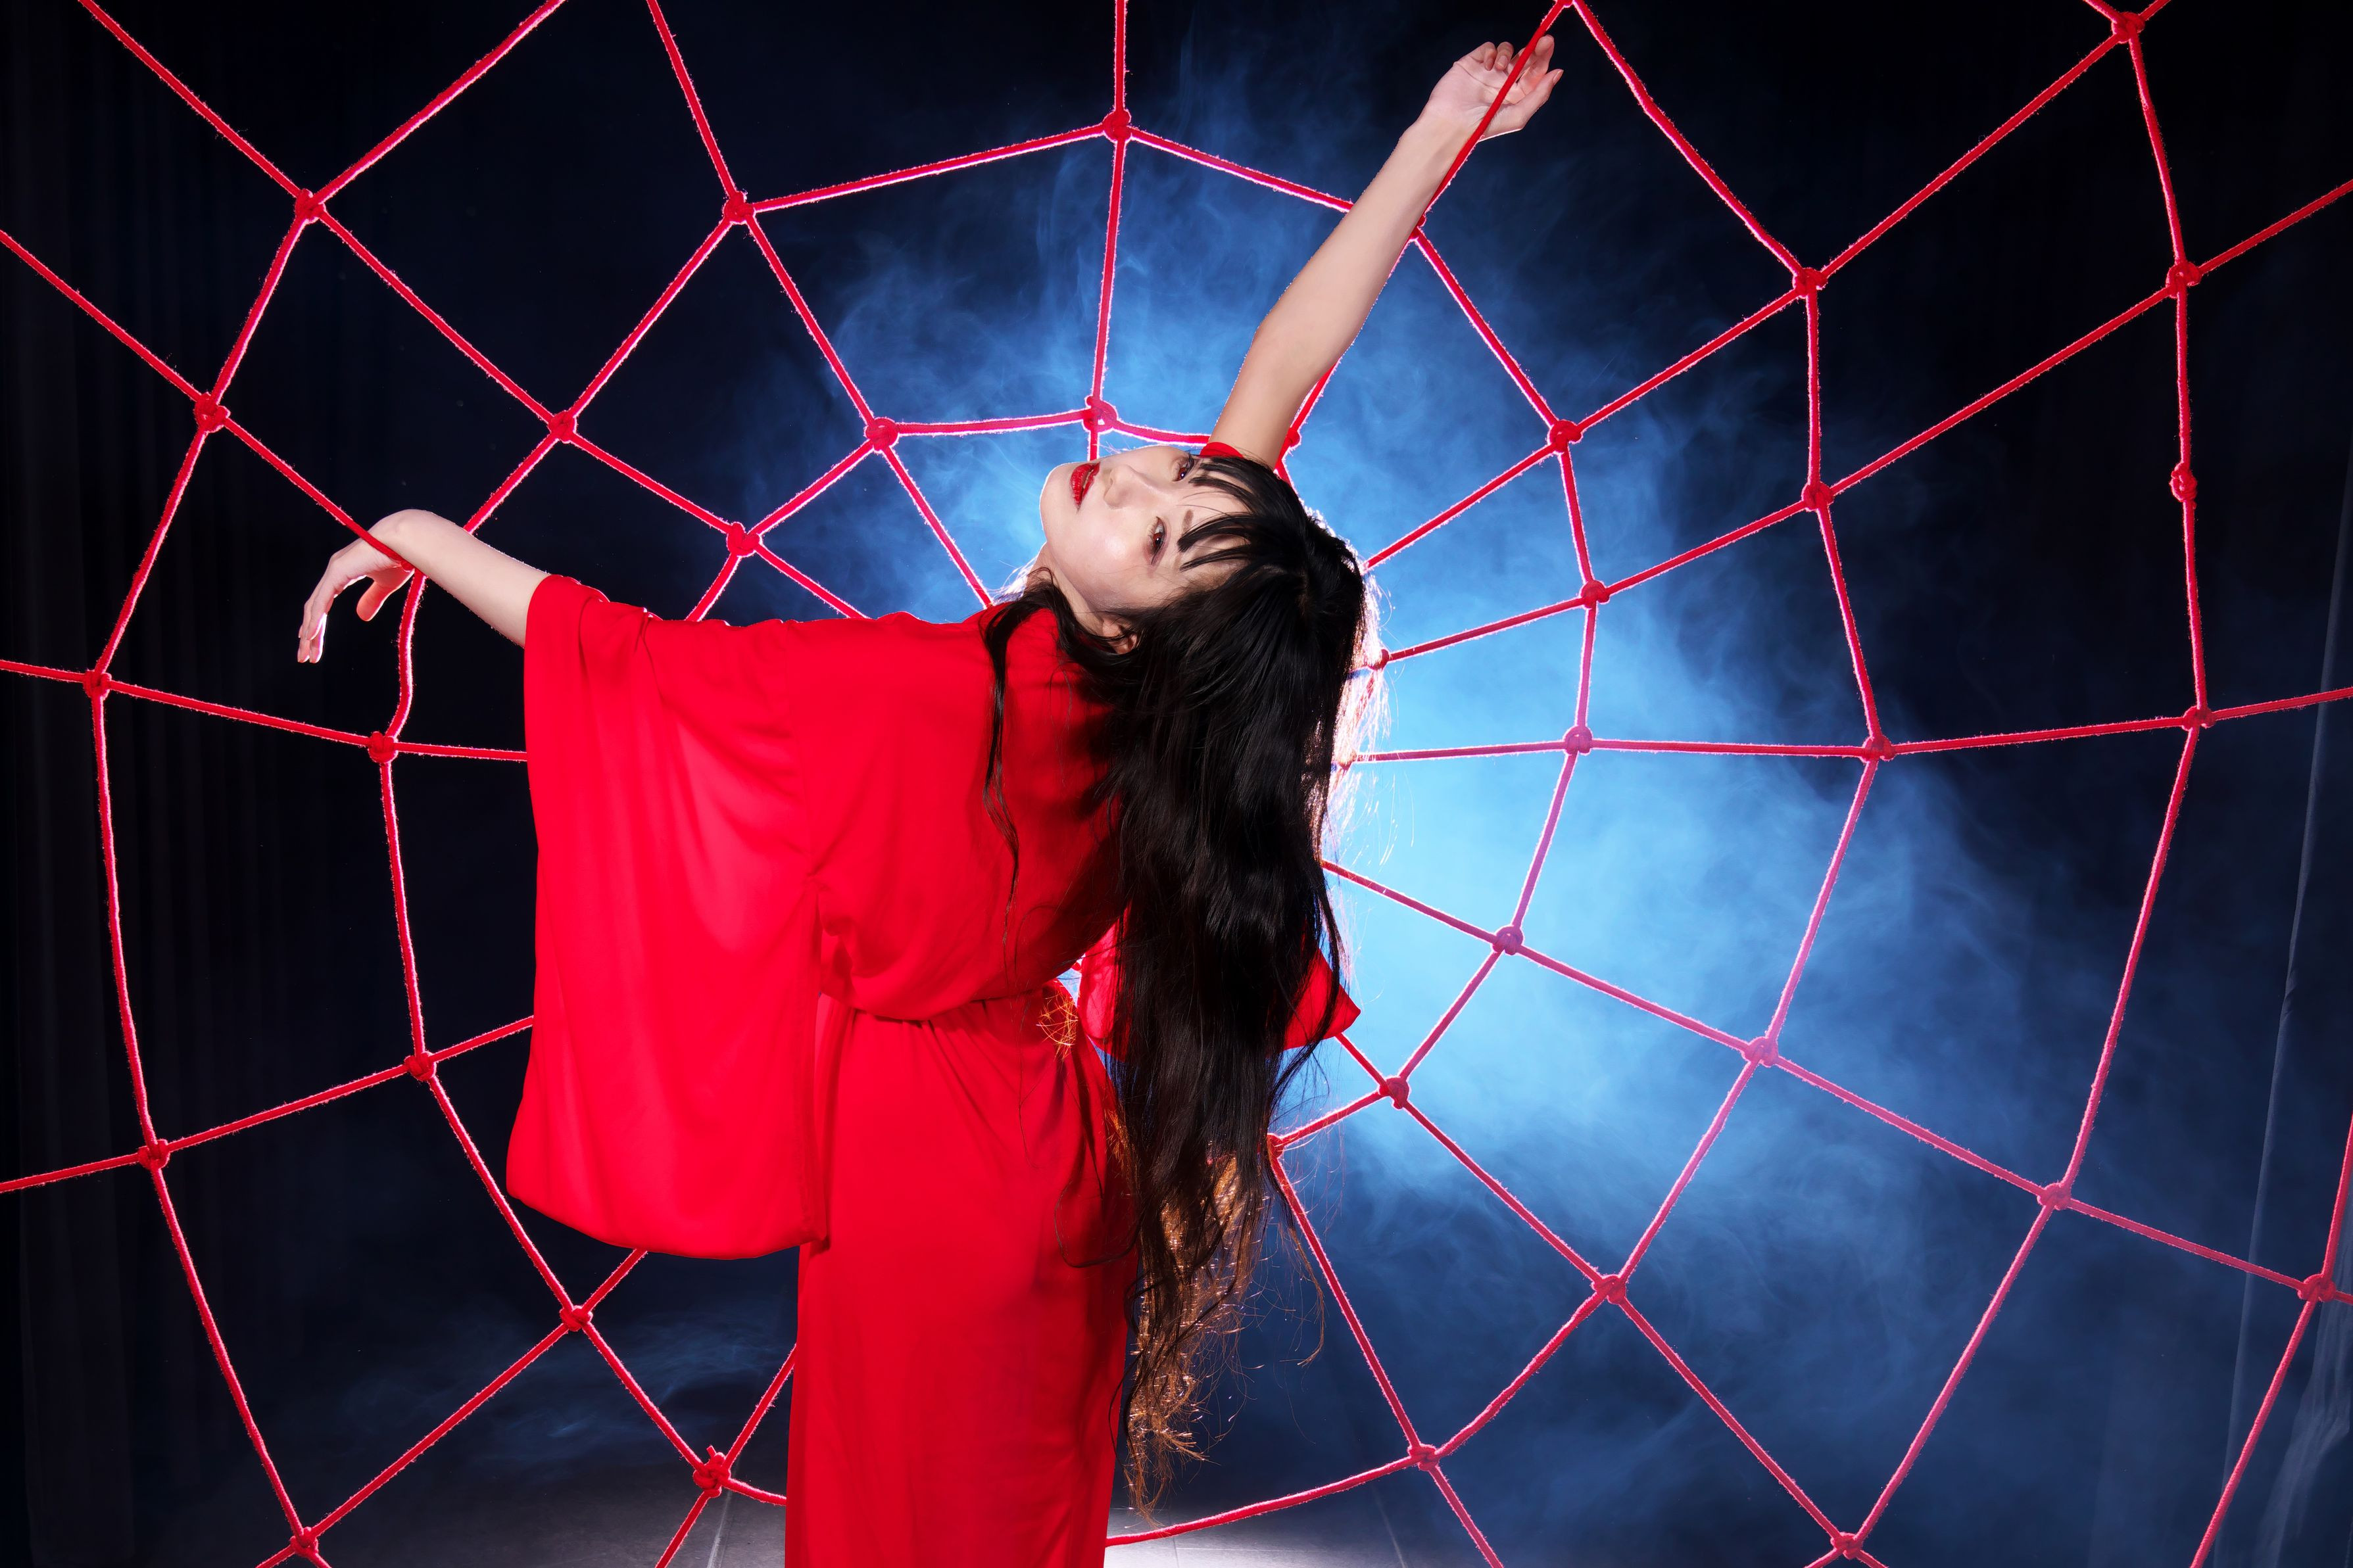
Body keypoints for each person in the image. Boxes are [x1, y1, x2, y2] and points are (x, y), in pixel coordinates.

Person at [295, 36, 1561, 1568]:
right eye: (1180, 478)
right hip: (1048, 1149)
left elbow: (633, 662)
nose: (1138, 485)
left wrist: (424, 533)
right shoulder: (1170, 709)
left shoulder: (931, 693)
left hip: (924, 1171)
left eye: (1167, 534)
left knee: (901, 1527)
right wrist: (1437, 135)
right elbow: (1285, 371)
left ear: (1151, 627)